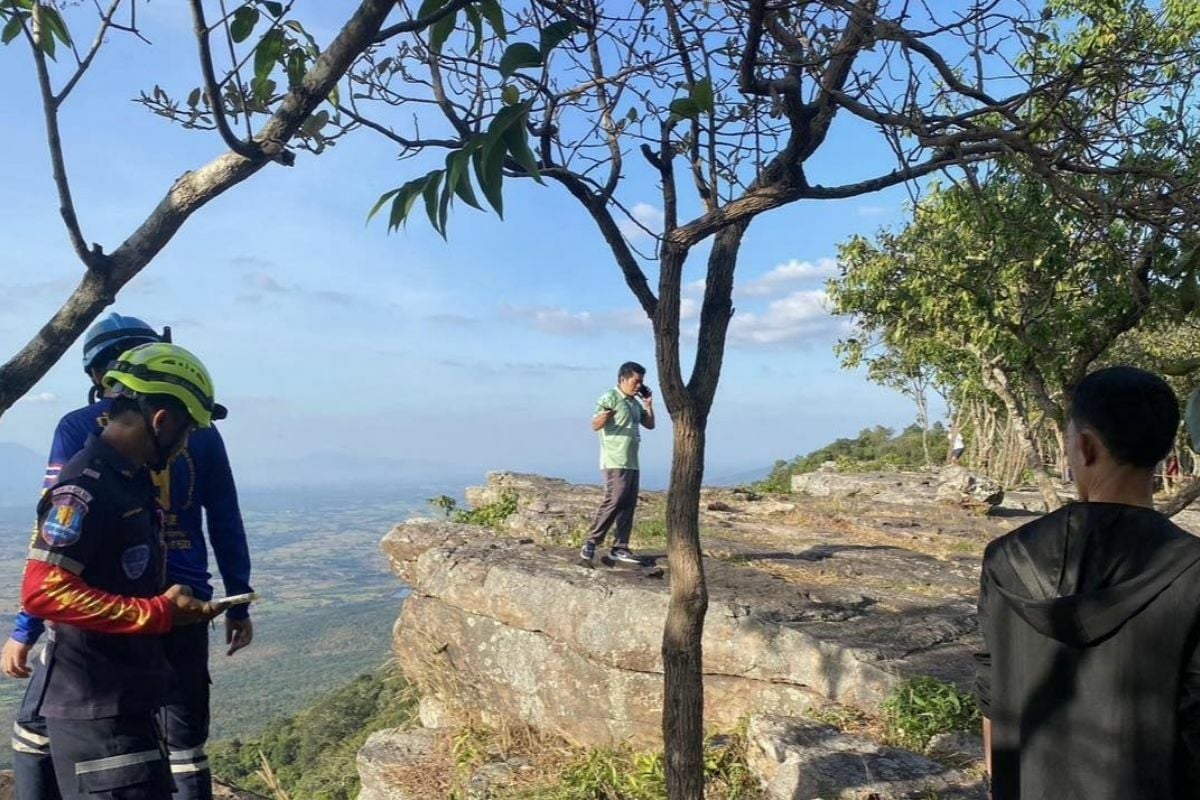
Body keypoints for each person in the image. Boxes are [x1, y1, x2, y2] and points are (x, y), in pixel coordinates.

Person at [4, 314, 254, 800]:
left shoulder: (112, 458)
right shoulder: (93, 478)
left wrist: (24, 632)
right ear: (163, 419)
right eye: (184, 433)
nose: (188, 442)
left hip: (131, 639)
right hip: (115, 651)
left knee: (46, 734)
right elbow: (49, 574)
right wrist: (225, 600)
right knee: (175, 747)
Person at [974, 366, 1200, 800]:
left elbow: (992, 689)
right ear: (1164, 450)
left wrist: (998, 783)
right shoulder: (1192, 571)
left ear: (1084, 446)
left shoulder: (1004, 559)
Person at [579, 361, 655, 565]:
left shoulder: (633, 403)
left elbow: (650, 424)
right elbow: (595, 424)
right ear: (623, 379)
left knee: (628, 503)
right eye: (636, 381)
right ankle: (591, 542)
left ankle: (620, 547)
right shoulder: (610, 397)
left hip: (632, 460)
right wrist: (606, 415)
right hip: (614, 459)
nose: (638, 385)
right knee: (614, 499)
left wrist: (648, 403)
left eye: (641, 382)